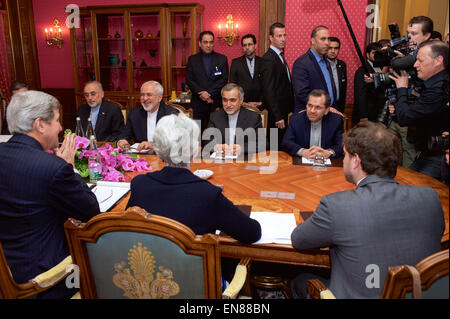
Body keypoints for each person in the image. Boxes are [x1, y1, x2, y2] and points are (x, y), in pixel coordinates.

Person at [290, 121, 444, 299]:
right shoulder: (430, 198)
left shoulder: (337, 206)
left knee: (299, 281)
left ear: (356, 161)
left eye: (346, 155)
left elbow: (299, 240)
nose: (344, 160)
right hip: (418, 293)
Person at [0, 90, 100, 298]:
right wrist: (69, 167)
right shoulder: (53, 168)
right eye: (56, 120)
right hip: (45, 279)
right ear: (40, 124)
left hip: (8, 268)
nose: (61, 128)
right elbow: (91, 213)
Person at [126, 113, 261, 244]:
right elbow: (252, 233)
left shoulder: (139, 185)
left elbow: (127, 226)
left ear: (158, 152)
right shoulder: (208, 194)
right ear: (195, 151)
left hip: (149, 264)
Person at [389, 40, 449, 180]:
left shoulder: (437, 89)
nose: (415, 65)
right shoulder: (436, 84)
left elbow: (406, 117)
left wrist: (402, 89)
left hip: (437, 157)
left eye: (420, 61)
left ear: (438, 60)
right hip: (425, 151)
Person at [186, 31, 229, 133]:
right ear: (200, 44)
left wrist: (209, 93)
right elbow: (190, 80)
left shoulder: (222, 59)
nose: (208, 45)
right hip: (197, 105)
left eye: (211, 42)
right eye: (205, 42)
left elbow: (223, 79)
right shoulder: (192, 59)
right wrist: (202, 94)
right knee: (197, 135)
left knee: (214, 136)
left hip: (215, 104)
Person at [117, 81, 178, 152]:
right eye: (142, 95)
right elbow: (125, 134)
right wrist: (122, 141)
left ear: (159, 97)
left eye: (149, 95)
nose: (145, 98)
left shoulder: (171, 114)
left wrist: (154, 145)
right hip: (141, 157)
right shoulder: (135, 113)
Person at [282, 89, 343, 159]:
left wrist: (329, 152)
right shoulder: (296, 119)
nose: (312, 111)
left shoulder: (336, 121)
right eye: (310, 105)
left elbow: (340, 145)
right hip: (300, 164)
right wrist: (303, 151)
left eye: (318, 107)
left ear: (326, 110)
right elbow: (286, 142)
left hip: (328, 164)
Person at [260, 22, 294, 149]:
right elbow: (268, 90)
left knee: (282, 147)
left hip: (284, 113)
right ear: (271, 38)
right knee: (275, 149)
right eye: (279, 36)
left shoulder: (279, 55)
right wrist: (278, 116)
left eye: (284, 35)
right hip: (276, 116)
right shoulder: (268, 58)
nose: (283, 39)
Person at [205, 83, 263, 155]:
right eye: (225, 100)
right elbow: (206, 142)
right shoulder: (215, 116)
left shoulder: (253, 117)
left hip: (244, 160)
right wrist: (218, 147)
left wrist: (242, 148)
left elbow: (262, 143)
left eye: (232, 100)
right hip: (220, 162)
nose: (228, 104)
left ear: (241, 100)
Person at [292, 25, 336, 113]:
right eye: (323, 39)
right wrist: (323, 107)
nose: (327, 43)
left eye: (328, 39)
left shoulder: (326, 61)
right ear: (313, 41)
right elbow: (302, 93)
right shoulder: (302, 63)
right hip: (309, 115)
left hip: (326, 114)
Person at [351, 42, 387, 124]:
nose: (377, 55)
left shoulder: (382, 69)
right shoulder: (362, 71)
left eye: (379, 53)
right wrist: (363, 116)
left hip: (378, 115)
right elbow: (360, 95)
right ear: (367, 55)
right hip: (366, 116)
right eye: (374, 53)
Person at [229, 34, 263, 109]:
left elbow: (267, 84)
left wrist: (261, 102)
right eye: (244, 45)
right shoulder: (236, 63)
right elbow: (233, 85)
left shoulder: (263, 62)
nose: (247, 47)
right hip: (241, 105)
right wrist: (243, 103)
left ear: (255, 45)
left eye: (250, 44)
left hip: (259, 105)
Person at [326, 37, 347, 114]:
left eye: (336, 48)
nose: (333, 51)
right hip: (324, 107)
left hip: (338, 106)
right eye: (330, 48)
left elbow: (343, 88)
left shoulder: (342, 65)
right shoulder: (321, 65)